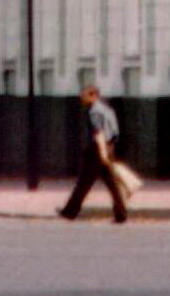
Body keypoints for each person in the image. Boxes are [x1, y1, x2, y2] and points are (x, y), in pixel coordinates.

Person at [54, 84, 130, 225]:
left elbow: (98, 132)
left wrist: (101, 151)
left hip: (96, 150)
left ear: (94, 95)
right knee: (112, 185)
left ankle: (70, 212)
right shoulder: (108, 110)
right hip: (107, 148)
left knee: (83, 183)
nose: (82, 98)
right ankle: (121, 214)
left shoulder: (94, 111)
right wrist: (109, 148)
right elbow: (114, 132)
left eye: (85, 95)